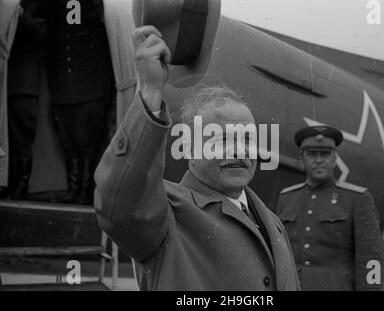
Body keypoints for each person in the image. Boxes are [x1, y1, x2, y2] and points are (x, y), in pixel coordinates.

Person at [94, 26, 300, 291]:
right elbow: (120, 203)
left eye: (247, 139)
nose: (238, 150)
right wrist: (150, 92)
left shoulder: (270, 220)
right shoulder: (167, 213)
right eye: (222, 139)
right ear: (190, 150)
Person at [276, 125, 384, 290]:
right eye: (311, 154)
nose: (319, 160)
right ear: (302, 158)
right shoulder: (287, 197)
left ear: (335, 158)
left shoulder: (358, 199)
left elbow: (372, 258)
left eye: (325, 154)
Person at [46, 0, 115, 204]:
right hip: (64, 95)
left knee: (86, 145)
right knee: (69, 143)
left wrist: (104, 97)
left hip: (90, 95)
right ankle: (74, 190)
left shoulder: (94, 29)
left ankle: (84, 192)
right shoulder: (58, 32)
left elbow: (103, 65)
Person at [0, 0, 48, 200]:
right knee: (8, 137)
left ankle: (21, 184)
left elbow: (43, 32)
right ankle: (9, 183)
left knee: (21, 138)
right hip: (8, 82)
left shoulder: (35, 5)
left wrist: (20, 15)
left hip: (24, 84)